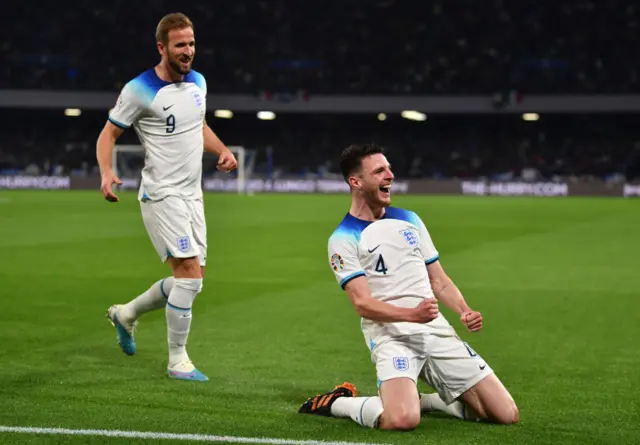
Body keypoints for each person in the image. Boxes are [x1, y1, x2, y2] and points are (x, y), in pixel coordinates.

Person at [298, 144, 519, 429]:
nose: (390, 175)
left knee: (504, 414)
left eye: (389, 168)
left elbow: (438, 279)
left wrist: (464, 310)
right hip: (392, 335)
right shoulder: (342, 238)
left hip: (433, 328)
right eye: (379, 171)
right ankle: (338, 402)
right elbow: (362, 304)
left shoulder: (410, 220)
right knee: (402, 419)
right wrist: (412, 315)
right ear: (356, 182)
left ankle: (426, 400)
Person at [95, 12, 237, 381]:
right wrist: (107, 172)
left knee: (192, 281)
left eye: (191, 43)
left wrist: (222, 150)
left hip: (193, 196)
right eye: (180, 45)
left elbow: (198, 125)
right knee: (188, 278)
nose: (188, 51)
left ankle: (125, 314)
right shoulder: (139, 89)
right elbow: (108, 135)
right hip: (161, 195)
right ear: (162, 47)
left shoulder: (199, 83)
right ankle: (177, 360)